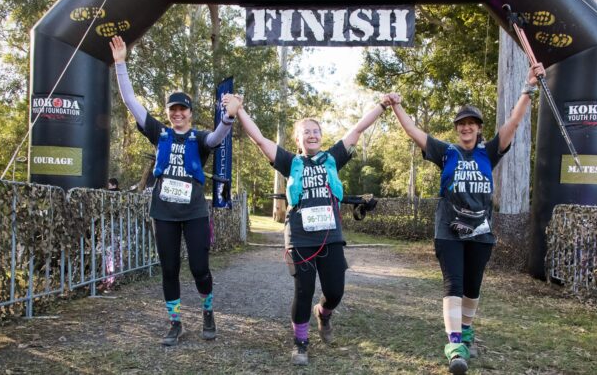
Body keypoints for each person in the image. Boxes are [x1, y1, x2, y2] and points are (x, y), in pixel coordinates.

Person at [388, 62, 545, 374]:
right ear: (457, 128)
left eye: (471, 123)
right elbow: (412, 131)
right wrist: (396, 106)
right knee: (454, 283)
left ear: (478, 128)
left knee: (473, 285)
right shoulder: (446, 152)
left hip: (482, 232)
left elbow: (514, 122)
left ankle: (468, 332)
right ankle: (455, 345)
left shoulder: (489, 151)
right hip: (448, 231)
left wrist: (529, 88)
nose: (466, 127)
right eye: (461, 124)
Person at [222, 93, 390, 365]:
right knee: (303, 291)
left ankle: (323, 313)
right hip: (300, 237)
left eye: (315, 131)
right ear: (297, 140)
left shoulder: (333, 157)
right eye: (305, 133)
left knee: (335, 291)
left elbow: (358, 129)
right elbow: (260, 140)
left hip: (331, 236)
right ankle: (300, 343)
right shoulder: (291, 162)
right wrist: (239, 110)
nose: (311, 135)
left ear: (321, 136)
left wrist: (383, 105)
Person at [110, 35, 236, 346]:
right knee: (168, 268)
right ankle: (175, 322)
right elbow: (130, 102)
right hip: (163, 212)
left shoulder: (200, 138)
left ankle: (207, 310)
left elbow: (219, 136)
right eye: (173, 109)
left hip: (193, 212)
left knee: (199, 268)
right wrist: (121, 64)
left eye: (183, 109)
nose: (178, 113)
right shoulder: (160, 133)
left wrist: (229, 116)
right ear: (168, 112)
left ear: (190, 113)